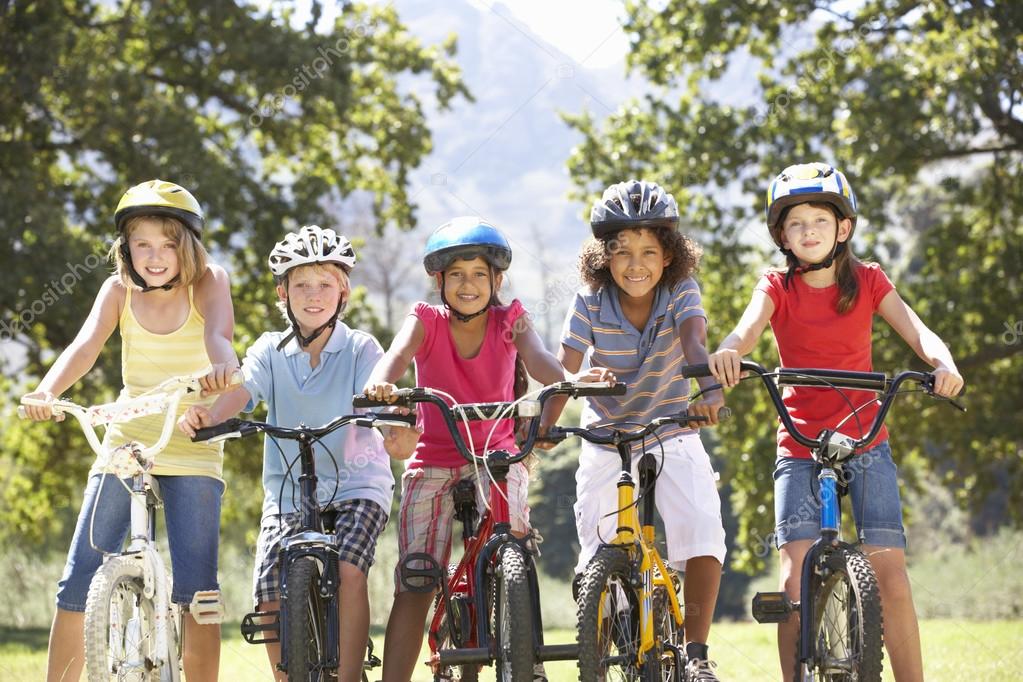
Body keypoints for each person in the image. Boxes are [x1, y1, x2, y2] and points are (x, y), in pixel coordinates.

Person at [707, 162, 964, 682]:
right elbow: (745, 330)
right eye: (795, 223)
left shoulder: (868, 280)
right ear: (781, 234)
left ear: (842, 228)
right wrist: (730, 352)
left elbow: (918, 331)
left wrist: (943, 363)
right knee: (793, 580)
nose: (808, 231)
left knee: (891, 576)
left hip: (865, 440)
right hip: (799, 443)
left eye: (819, 221)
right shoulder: (776, 286)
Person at [364, 217, 604, 682]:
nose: (468, 284)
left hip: (495, 459)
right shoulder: (426, 320)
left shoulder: (510, 320)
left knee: (512, 546)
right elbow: (395, 356)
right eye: (456, 274)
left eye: (479, 274)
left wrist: (569, 381)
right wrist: (381, 383)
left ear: (497, 280)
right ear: (439, 281)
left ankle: (525, 660)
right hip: (433, 457)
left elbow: (540, 361)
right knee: (417, 577)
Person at [21, 179, 237, 682]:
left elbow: (217, 334)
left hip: (192, 438)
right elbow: (86, 345)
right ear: (126, 247)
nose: (155, 255)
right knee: (77, 581)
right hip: (128, 439)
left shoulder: (210, 281)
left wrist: (224, 368)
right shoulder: (117, 290)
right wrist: (47, 392)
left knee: (198, 591)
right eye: (142, 243)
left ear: (187, 246)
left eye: (167, 243)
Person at [179, 224, 416, 682]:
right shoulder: (270, 349)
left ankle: (347, 676)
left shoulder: (360, 347)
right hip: (289, 493)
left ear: (343, 290)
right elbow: (242, 391)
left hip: (357, 486)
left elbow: (381, 397)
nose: (313, 294)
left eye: (324, 283)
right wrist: (210, 416)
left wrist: (394, 426)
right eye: (301, 284)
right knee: (268, 590)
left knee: (349, 571)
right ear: (282, 292)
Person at [539, 179, 728, 681]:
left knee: (701, 524)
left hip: (671, 425)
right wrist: (542, 428)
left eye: (648, 250)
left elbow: (694, 344)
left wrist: (710, 394)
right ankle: (604, 641)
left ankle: (696, 651)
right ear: (603, 257)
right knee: (597, 546)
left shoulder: (681, 291)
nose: (635, 263)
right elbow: (565, 368)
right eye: (621, 252)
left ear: (670, 256)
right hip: (607, 432)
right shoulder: (590, 300)